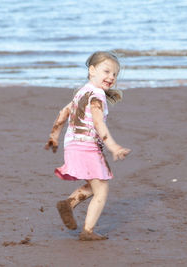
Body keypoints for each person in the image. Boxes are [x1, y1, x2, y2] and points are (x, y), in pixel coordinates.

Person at [45, 51, 131, 241]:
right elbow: (99, 124)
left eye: (115, 74)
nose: (111, 77)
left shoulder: (82, 91)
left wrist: (54, 136)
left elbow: (63, 112)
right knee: (102, 189)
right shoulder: (97, 96)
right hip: (87, 146)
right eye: (106, 71)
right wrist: (113, 146)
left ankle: (68, 204)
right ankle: (88, 231)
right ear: (92, 70)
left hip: (73, 145)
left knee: (94, 184)